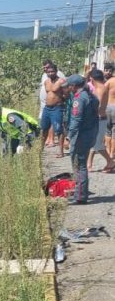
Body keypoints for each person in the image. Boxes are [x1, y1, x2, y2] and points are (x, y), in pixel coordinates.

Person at [65, 74, 100, 204]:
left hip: (80, 136)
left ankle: (80, 196)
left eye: (69, 86)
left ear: (73, 86)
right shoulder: (92, 96)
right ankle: (80, 192)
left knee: (79, 166)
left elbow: (76, 120)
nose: (68, 88)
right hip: (89, 134)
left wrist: (69, 137)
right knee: (81, 165)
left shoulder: (79, 99)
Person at [87, 70, 115, 172]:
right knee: (94, 143)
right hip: (100, 118)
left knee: (98, 144)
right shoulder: (101, 87)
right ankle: (89, 164)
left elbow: (97, 106)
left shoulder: (99, 89)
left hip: (99, 119)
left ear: (92, 78)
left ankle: (110, 162)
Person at [41, 64, 67, 158]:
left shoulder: (61, 81)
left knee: (58, 129)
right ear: (46, 72)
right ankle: (40, 150)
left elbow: (67, 95)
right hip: (47, 108)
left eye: (52, 71)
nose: (50, 73)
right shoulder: (46, 82)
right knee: (44, 129)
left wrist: (61, 102)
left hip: (57, 108)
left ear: (56, 71)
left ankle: (61, 151)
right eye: (49, 72)